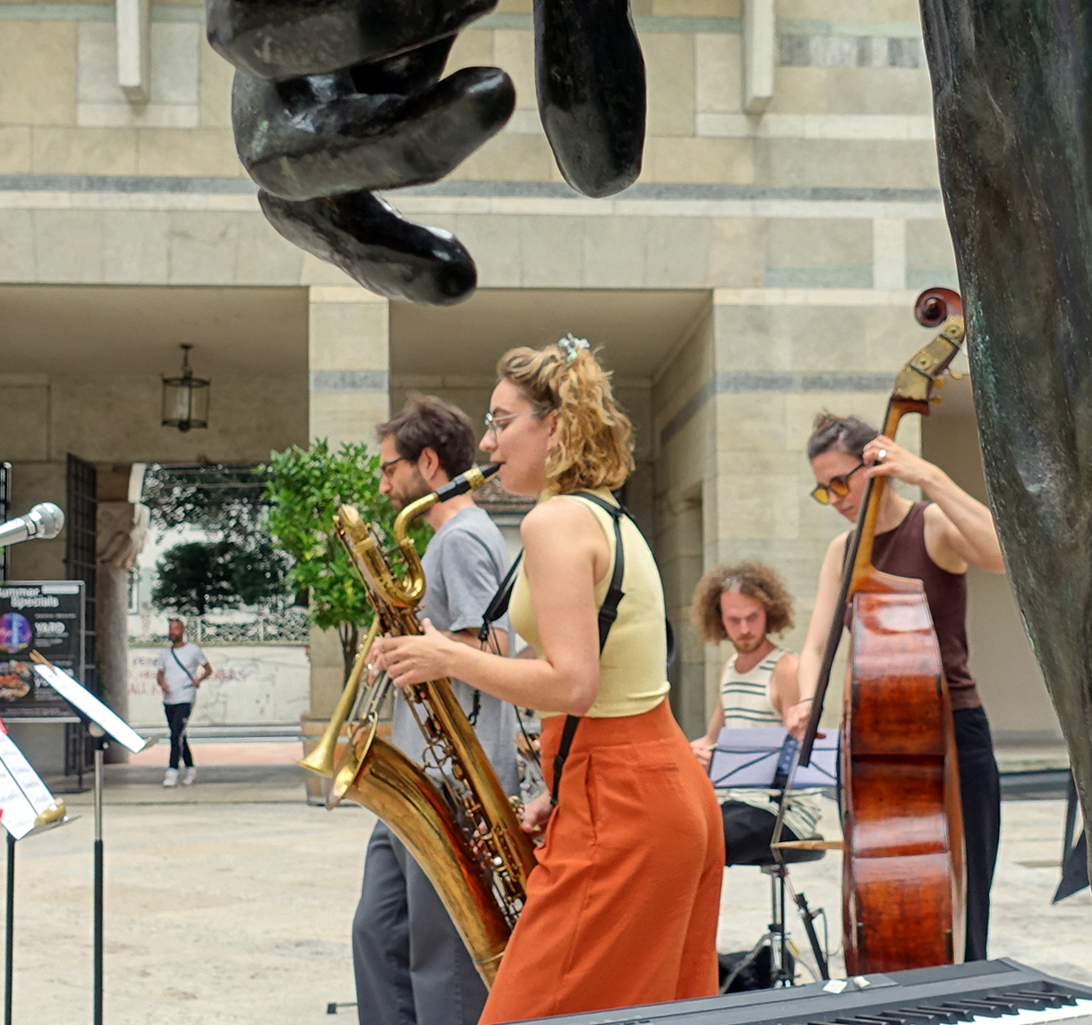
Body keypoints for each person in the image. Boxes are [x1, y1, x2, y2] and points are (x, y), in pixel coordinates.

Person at [373, 339, 722, 1023]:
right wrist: (560, 789)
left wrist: (446, 657)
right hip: (648, 788)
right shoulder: (602, 511)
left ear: (555, 425)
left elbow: (572, 685)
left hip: (622, 801)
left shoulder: (554, 521)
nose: (486, 441)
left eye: (501, 421)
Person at [787, 411, 1005, 961]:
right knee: (879, 891)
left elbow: (1001, 555)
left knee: (963, 899)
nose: (835, 499)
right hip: (870, 747)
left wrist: (927, 475)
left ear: (876, 466)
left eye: (842, 482)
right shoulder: (843, 551)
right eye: (824, 490)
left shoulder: (931, 525)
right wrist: (808, 698)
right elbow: (815, 646)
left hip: (951, 735)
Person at [351, 395, 518, 1025]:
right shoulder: (448, 539)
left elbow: (498, 647)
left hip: (451, 775)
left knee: (440, 954)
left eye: (389, 468)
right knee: (378, 932)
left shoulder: (462, 538)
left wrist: (427, 646)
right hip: (421, 770)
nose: (383, 484)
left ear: (427, 463)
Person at [688, 563, 821, 865]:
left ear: (769, 613)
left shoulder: (785, 668)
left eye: (753, 617)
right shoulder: (729, 669)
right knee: (669, 829)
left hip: (782, 811)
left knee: (703, 842)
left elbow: (801, 751)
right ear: (719, 619)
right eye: (734, 620)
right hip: (736, 803)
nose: (745, 629)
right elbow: (711, 740)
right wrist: (689, 754)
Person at [156, 618, 211, 787]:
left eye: (176, 629)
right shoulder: (165, 653)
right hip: (169, 699)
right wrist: (162, 684)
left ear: (183, 631)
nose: (173, 632)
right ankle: (190, 768)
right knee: (179, 735)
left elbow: (208, 669)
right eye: (171, 629)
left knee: (175, 734)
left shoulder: (193, 650)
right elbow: (159, 674)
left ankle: (172, 771)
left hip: (185, 697)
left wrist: (198, 680)